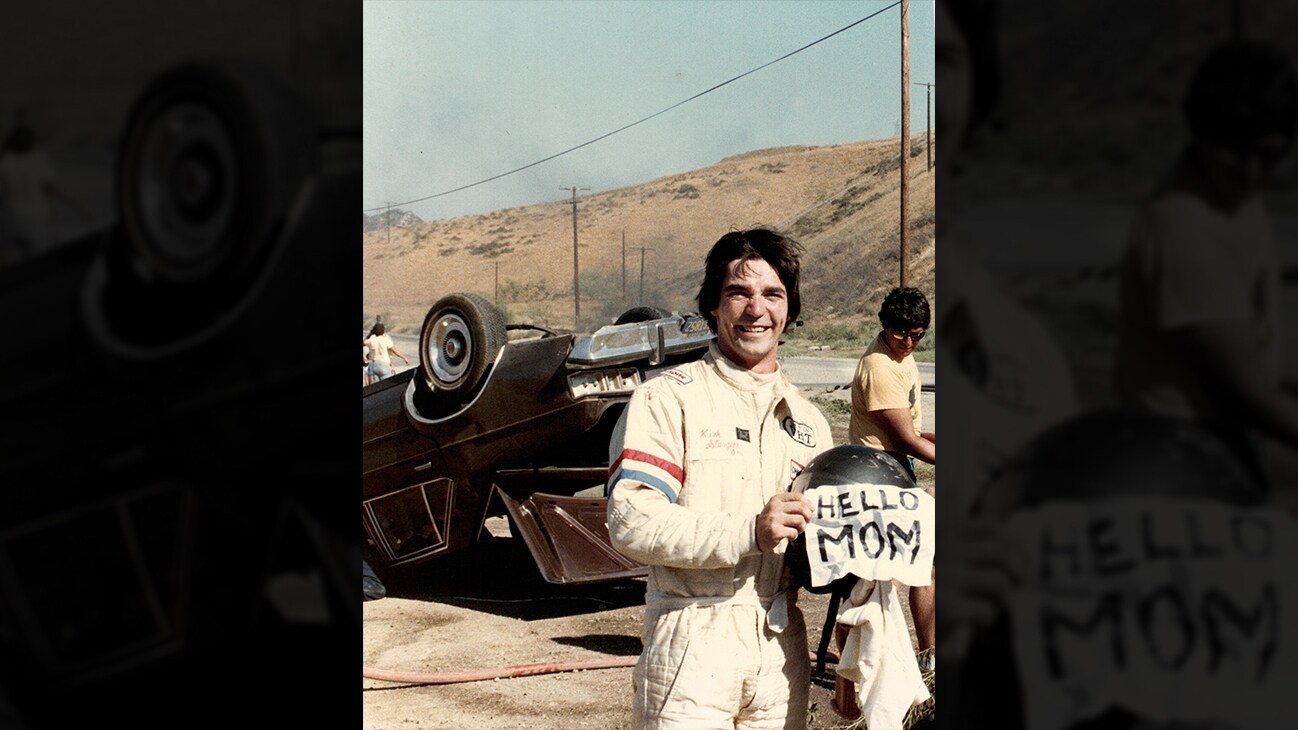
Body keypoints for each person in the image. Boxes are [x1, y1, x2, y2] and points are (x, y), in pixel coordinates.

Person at [606, 228, 832, 729]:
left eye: (773, 294)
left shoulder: (811, 423)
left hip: (781, 646)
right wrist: (748, 532)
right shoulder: (667, 399)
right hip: (691, 638)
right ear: (712, 306)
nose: (757, 310)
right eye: (739, 293)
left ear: (789, 309)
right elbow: (631, 520)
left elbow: (822, 559)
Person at [1114, 39, 1298, 490]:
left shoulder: (1230, 199)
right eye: (1235, 152)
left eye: (1269, 155)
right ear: (1202, 133)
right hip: (1182, 463)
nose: (1252, 172)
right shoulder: (1185, 227)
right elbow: (1248, 392)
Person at [847, 285, 937, 688]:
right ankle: (866, 666)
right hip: (877, 473)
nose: (908, 342)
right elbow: (903, 440)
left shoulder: (902, 353)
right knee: (887, 575)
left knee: (928, 562)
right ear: (885, 328)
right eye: (901, 334)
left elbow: (912, 429)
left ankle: (928, 654)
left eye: (917, 335)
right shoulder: (881, 367)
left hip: (892, 464)